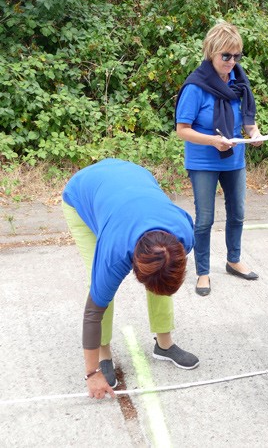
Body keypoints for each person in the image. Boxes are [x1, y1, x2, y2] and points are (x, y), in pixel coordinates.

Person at [62, 158, 200, 400]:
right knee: (98, 285)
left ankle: (164, 344)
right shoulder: (114, 254)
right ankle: (104, 353)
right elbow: (92, 313)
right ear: (133, 265)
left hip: (133, 180)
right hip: (83, 195)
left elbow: (164, 274)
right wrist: (91, 373)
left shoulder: (184, 235)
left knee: (160, 274)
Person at [175, 21, 265, 296]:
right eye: (226, 56)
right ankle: (203, 272)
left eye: (236, 56)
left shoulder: (239, 81)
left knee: (237, 213)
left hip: (234, 157)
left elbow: (247, 120)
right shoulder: (195, 86)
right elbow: (182, 130)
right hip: (203, 160)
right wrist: (214, 140)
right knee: (204, 219)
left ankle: (233, 260)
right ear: (211, 52)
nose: (231, 61)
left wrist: (255, 132)